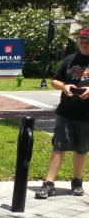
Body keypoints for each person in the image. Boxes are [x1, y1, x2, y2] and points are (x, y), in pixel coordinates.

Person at [36, 27, 89, 199]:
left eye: (88, 41)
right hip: (65, 113)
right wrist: (64, 86)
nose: (84, 43)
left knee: (81, 150)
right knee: (59, 147)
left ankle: (77, 182)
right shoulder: (69, 59)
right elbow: (54, 81)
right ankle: (49, 184)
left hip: (86, 116)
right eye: (82, 40)